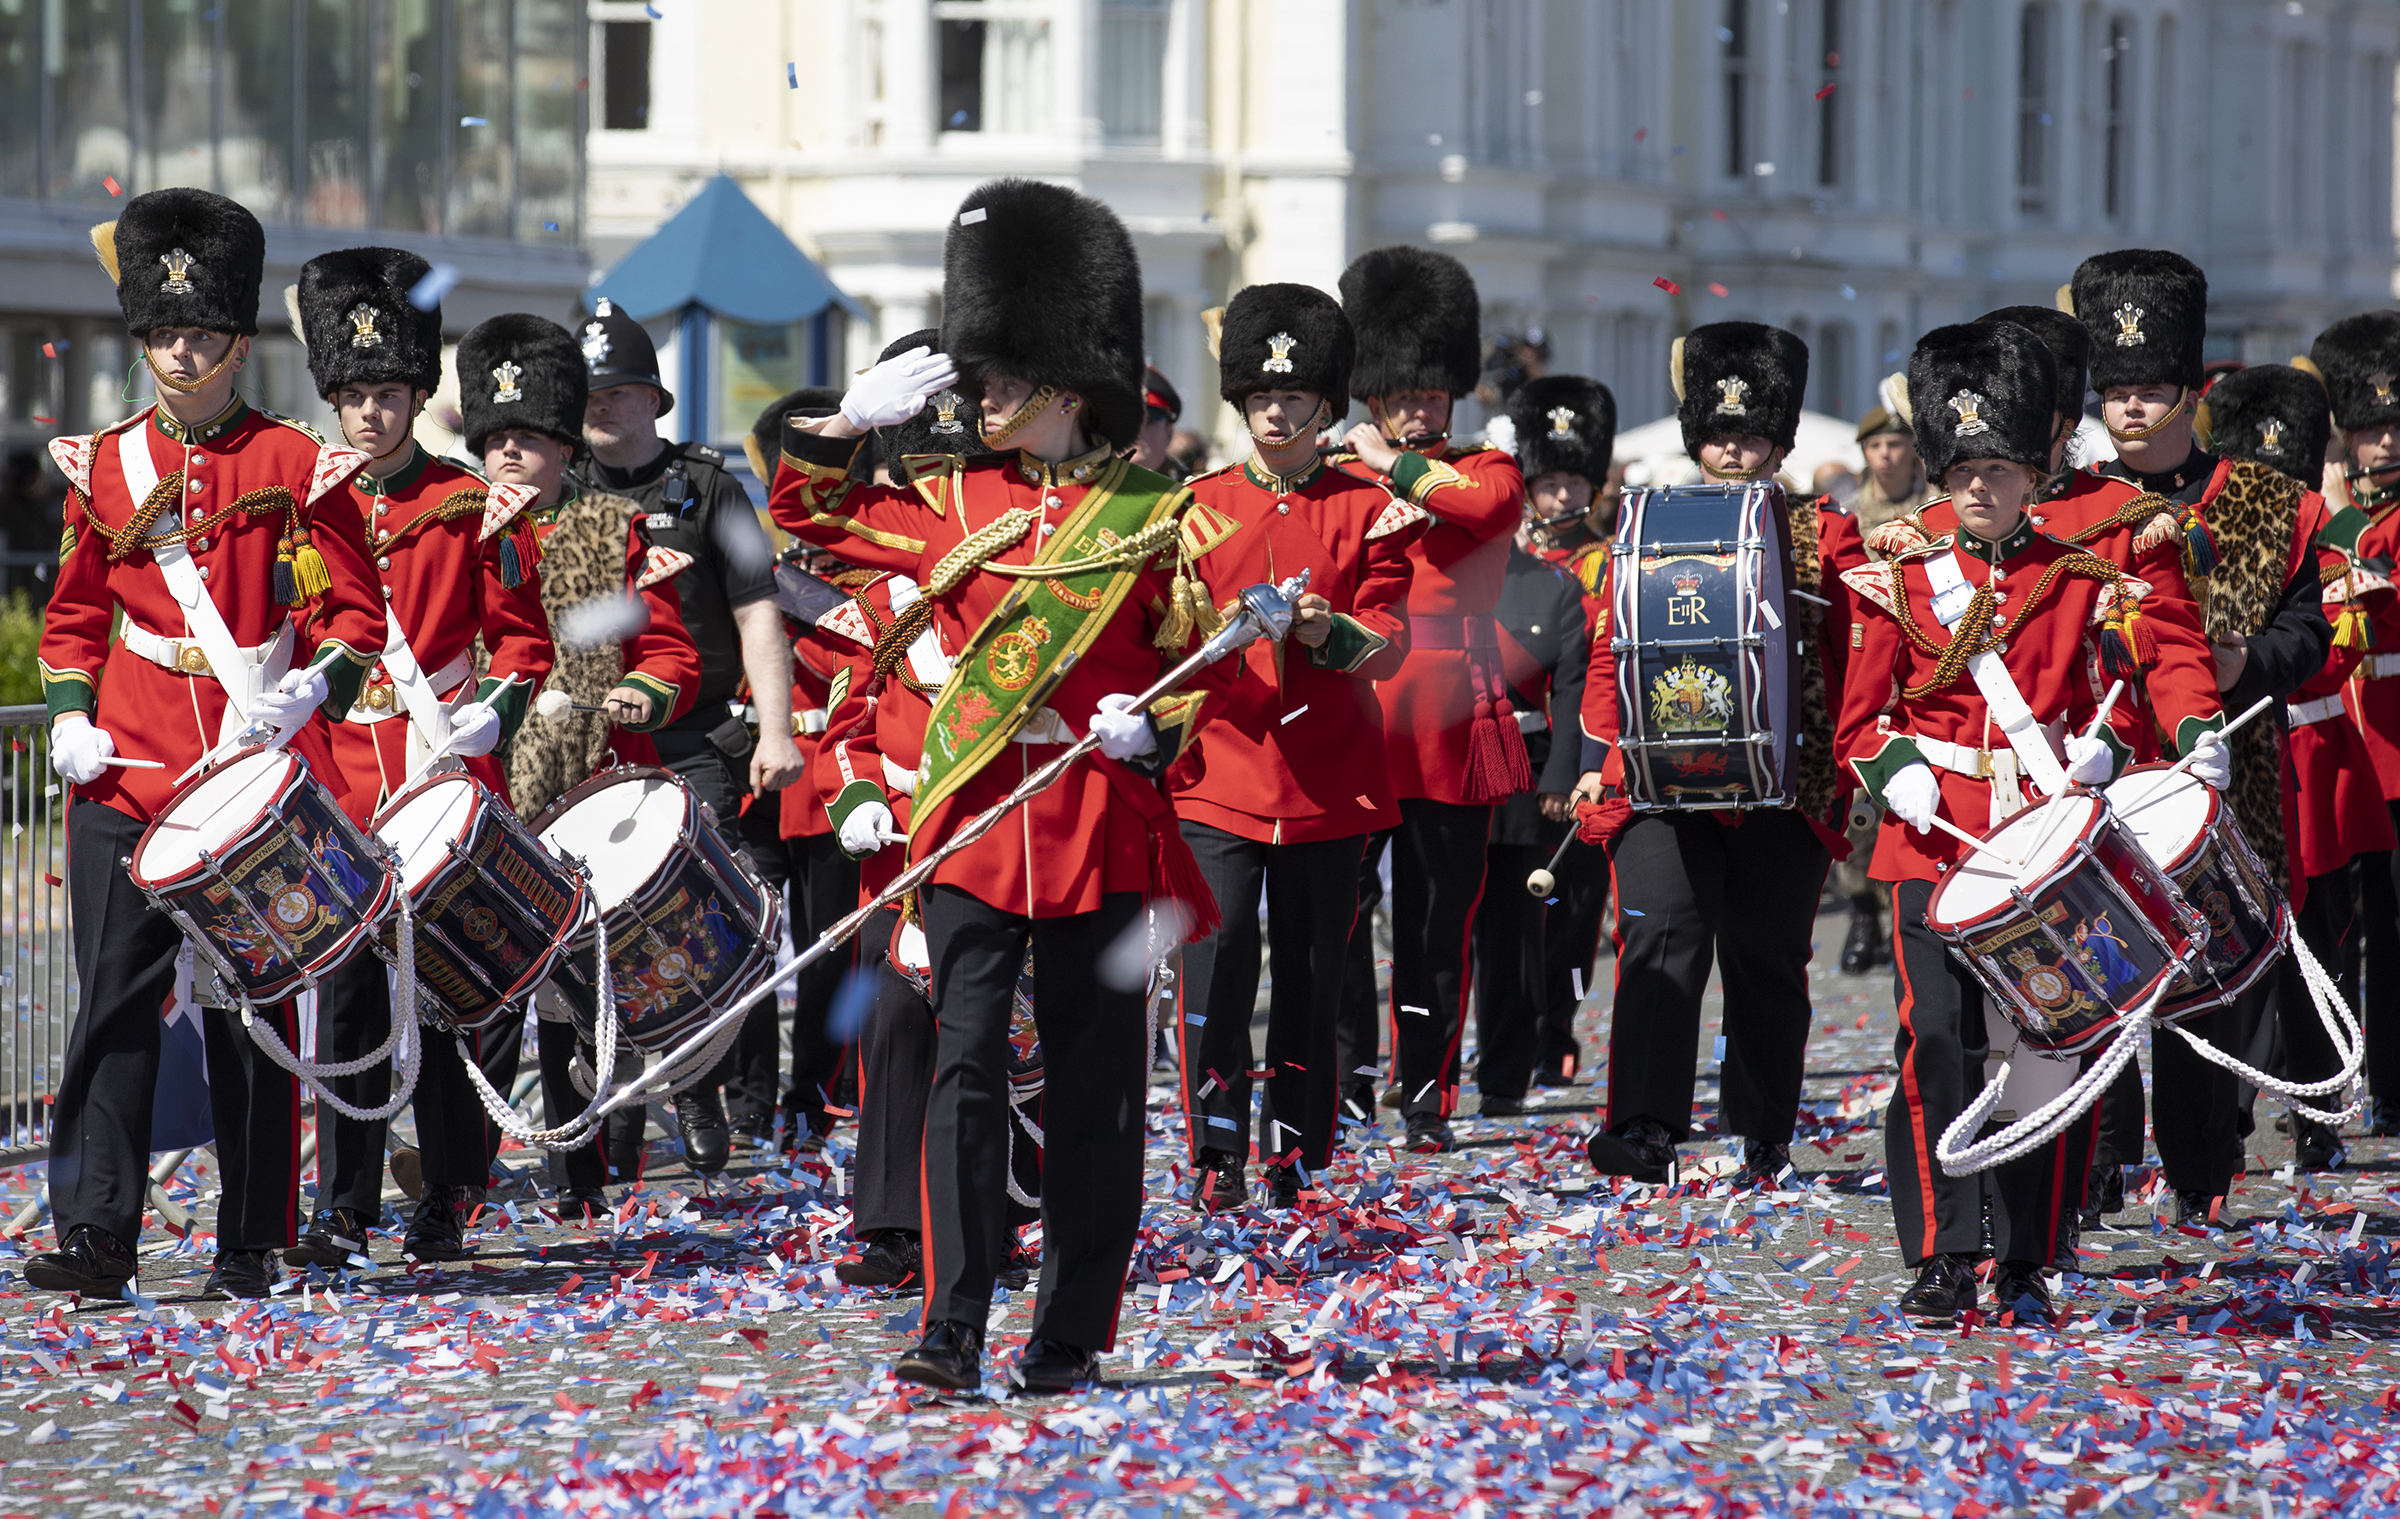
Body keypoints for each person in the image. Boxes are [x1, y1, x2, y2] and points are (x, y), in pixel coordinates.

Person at [771, 178, 1246, 1395]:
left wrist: (1159, 734)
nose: (976, 395)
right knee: (964, 1076)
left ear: (1063, 381)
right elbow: (808, 524)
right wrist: (839, 423)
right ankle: (951, 1324)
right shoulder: (945, 499)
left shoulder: (1157, 513)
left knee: (1093, 1093)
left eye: (997, 375)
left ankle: (1072, 1327)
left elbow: (1206, 669)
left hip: (1097, 821)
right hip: (974, 825)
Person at [28, 188, 386, 1298]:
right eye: (164, 332)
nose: (181, 350)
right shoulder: (106, 465)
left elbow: (355, 618)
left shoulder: (296, 462)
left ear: (238, 338)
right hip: (128, 766)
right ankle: (97, 1233)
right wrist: (70, 716)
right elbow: (76, 614)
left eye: (200, 331)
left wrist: (311, 694)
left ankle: (254, 1234)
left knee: (257, 1013)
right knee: (113, 1006)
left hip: (247, 765)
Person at [1834, 321, 2226, 1324]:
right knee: (1940, 1046)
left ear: (2034, 472)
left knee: (2042, 1053)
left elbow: (2150, 668)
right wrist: (1897, 769)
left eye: (1997, 469)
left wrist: (2164, 734)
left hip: (2042, 841)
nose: (1977, 490)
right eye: (1961, 470)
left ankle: (2026, 1259)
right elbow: (1861, 718)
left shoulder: (2079, 577)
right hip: (1931, 839)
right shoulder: (1900, 574)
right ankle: (1940, 1252)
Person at [283, 247, 556, 1269]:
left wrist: (494, 711)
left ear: (416, 395)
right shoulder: (309, 508)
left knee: (448, 989)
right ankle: (345, 1205)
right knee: (347, 988)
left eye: (387, 394)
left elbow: (524, 641)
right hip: (347, 766)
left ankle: (450, 1193)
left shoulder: (477, 506)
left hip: (442, 758)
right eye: (350, 396)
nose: (369, 416)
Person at [2074, 251, 2332, 1222]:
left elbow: (2308, 636)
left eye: (2151, 392)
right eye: (2118, 394)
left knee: (2206, 979)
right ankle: (2098, 1161)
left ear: (2192, 394)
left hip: (2232, 769)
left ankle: (2198, 1167)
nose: (2133, 410)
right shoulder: (2068, 509)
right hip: (2100, 778)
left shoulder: (2274, 505)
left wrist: (2243, 665)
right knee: (2098, 974)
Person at [1572, 323, 1860, 1189]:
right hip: (1661, 772)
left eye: (1751, 434)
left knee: (1767, 953)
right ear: (1697, 436)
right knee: (1660, 933)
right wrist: (1597, 748)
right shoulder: (1648, 519)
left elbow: (1856, 649)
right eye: (1719, 433)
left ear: (1779, 441)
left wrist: (1849, 752)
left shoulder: (1831, 535)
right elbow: (1610, 642)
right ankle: (1644, 1124)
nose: (1733, 448)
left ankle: (1761, 1127)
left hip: (1785, 777)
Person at [442, 313, 701, 1241]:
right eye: (498, 438)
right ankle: (453, 1180)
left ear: (561, 449)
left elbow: (670, 651)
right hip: (479, 783)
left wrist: (642, 691)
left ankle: (578, 1167)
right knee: (473, 989)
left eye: (532, 438)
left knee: (574, 994)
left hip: (590, 784)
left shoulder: (610, 529)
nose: (512, 452)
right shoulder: (451, 528)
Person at [1169, 282, 1416, 1212]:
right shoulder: (1194, 508)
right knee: (1218, 966)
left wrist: (1326, 631)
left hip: (1328, 780)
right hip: (1220, 772)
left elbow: (1393, 639)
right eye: (1262, 396)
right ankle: (1216, 1144)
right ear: (1242, 401)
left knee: (1314, 972)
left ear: (1326, 404)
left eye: (1295, 396)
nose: (1276, 409)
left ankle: (1297, 1147)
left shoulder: (1371, 506)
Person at [577, 298, 801, 1166]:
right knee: (595, 930)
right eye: (591, 392)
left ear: (655, 399)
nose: (604, 405)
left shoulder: (710, 486)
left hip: (695, 738)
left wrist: (775, 732)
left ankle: (705, 1087)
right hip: (589, 747)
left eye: (621, 390)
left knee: (700, 925)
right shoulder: (559, 490)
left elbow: (758, 615)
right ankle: (615, 1116)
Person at [1328, 246, 1529, 1155]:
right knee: (1333, 918)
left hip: (1448, 719)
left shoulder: (1485, 468)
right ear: (1374, 392)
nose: (1416, 406)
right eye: (1400, 391)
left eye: (1430, 392)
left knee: (1435, 924)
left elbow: (1478, 509)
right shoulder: (1342, 476)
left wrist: (1387, 466)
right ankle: (1343, 1077)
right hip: (1357, 715)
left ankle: (1425, 1091)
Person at [2204, 361, 2389, 1166]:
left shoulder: (2322, 523)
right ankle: (2224, 1119)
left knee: (2317, 937)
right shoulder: (2212, 529)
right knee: (2233, 944)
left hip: (2311, 748)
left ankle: (2314, 1109)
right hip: (2239, 745)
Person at [1499, 375, 1615, 1087]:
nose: (1564, 496)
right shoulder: (1510, 558)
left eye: (1576, 481)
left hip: (1590, 748)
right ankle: (1514, 1030)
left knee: (1576, 910)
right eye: (1550, 483)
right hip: (1520, 746)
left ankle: (1559, 1028)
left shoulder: (1610, 557)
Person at [2324, 312, 2400, 1138]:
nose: (2383, 442)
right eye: (2369, 428)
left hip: (2398, 744)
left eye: (2394, 425)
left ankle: (2396, 1085)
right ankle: (2349, 1082)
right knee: (2344, 929)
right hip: (2350, 749)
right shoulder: (2338, 523)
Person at [1833, 403, 1938, 972]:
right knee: (1859, 805)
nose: (1887, 455)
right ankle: (1862, 912)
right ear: (1865, 453)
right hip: (1868, 662)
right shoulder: (1852, 514)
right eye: (1877, 447)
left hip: (1923, 665)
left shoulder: (1933, 510)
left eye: (1897, 445)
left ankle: (1906, 912)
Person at [1129, 364, 1182, 476]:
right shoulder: (1091, 488)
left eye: (1148, 422)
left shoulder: (1193, 489)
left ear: (1169, 430)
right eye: (1127, 422)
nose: (1137, 432)